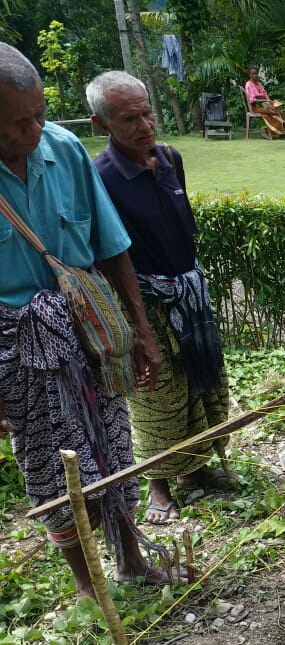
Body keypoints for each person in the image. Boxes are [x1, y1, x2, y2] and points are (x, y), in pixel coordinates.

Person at [0, 43, 175, 599]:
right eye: (17, 123)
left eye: (39, 115)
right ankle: (87, 587)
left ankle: (129, 558)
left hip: (88, 331)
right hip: (17, 348)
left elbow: (111, 247)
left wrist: (140, 333)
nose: (33, 130)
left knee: (113, 444)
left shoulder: (66, 150)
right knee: (51, 464)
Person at [88, 71, 232, 525]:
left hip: (188, 294)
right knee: (156, 393)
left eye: (147, 112)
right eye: (130, 118)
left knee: (201, 380)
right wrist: (137, 326)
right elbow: (111, 253)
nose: (145, 125)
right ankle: (157, 483)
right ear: (101, 124)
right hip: (142, 301)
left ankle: (196, 469)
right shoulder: (100, 177)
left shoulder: (170, 158)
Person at [244, 67, 285, 139]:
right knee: (274, 111)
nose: (255, 75)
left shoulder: (259, 84)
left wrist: (269, 102)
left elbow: (265, 94)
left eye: (256, 73)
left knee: (280, 111)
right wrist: (262, 100)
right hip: (255, 106)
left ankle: (280, 133)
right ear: (250, 75)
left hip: (264, 104)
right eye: (253, 73)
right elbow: (252, 100)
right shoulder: (248, 84)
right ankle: (268, 132)